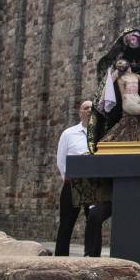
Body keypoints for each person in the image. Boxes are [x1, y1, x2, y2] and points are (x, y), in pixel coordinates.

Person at [54, 100, 92, 256]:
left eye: (92, 108)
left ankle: (92, 256)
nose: (89, 110)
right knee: (66, 223)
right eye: (85, 108)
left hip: (93, 185)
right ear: (80, 112)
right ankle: (60, 257)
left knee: (94, 222)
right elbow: (61, 160)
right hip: (73, 183)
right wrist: (68, 180)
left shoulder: (101, 134)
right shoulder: (68, 134)